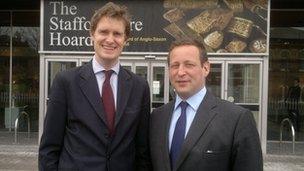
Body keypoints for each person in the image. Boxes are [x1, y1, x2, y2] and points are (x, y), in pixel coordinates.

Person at [39, 2, 151, 171]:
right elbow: (49, 148)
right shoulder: (65, 82)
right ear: (92, 34)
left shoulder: (139, 87)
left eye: (117, 34)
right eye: (104, 32)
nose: (110, 39)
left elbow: (142, 150)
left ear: (125, 40)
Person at [150, 39, 263, 171]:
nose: (180, 72)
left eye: (189, 65)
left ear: (206, 68)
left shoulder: (237, 119)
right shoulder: (157, 117)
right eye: (175, 65)